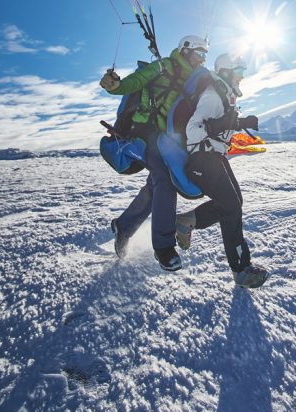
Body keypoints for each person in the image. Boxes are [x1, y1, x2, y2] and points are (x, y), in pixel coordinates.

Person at [100, 35, 210, 272]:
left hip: (167, 139)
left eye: (205, 56)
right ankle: (163, 247)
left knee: (158, 182)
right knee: (164, 179)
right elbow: (136, 81)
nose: (202, 60)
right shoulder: (163, 66)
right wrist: (116, 86)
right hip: (144, 131)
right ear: (185, 50)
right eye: (199, 54)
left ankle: (124, 225)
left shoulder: (192, 80)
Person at [176, 53, 268, 289]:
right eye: (239, 72)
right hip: (202, 159)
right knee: (232, 207)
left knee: (234, 202)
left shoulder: (224, 96)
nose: (242, 77)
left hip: (214, 157)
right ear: (226, 72)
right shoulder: (212, 95)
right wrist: (226, 123)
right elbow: (193, 130)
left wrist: (241, 122)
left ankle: (187, 221)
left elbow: (221, 124)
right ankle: (241, 269)